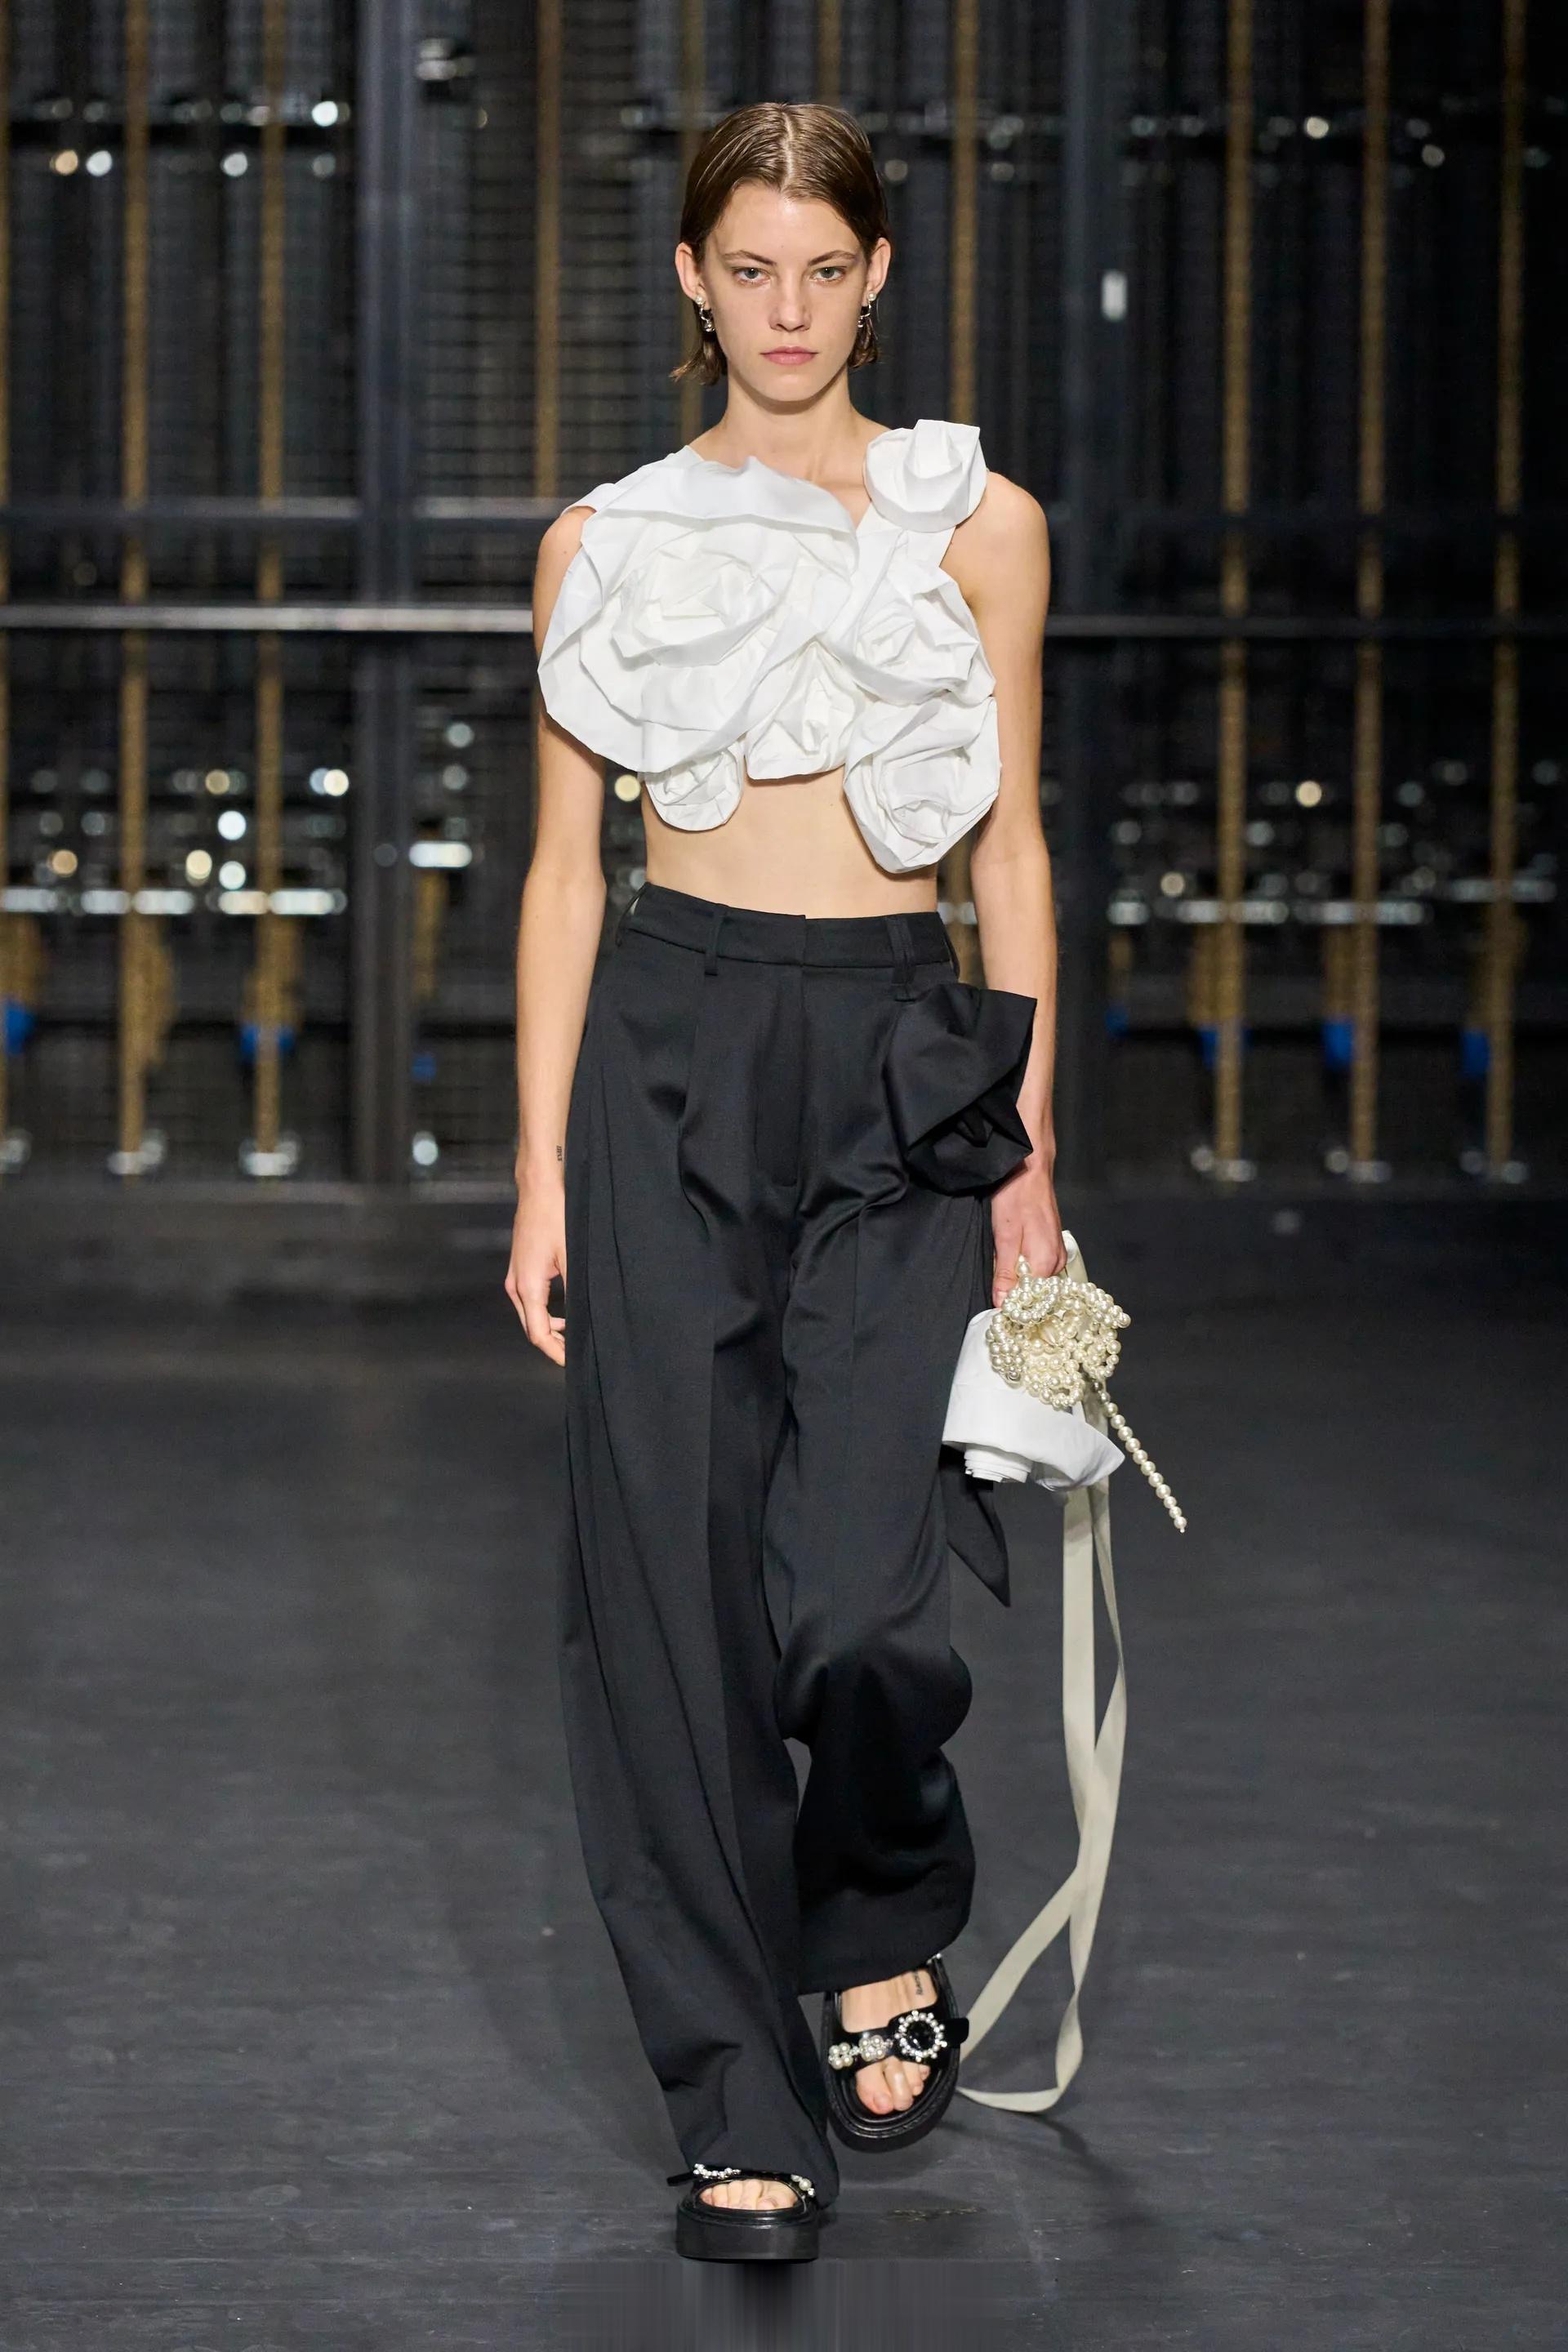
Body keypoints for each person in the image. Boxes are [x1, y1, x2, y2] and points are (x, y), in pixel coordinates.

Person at [507, 99, 1062, 2264]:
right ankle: (741, 2102)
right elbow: (565, 875)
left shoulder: (979, 524)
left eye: (826, 270)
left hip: (900, 1060)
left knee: (858, 1610)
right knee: (670, 1598)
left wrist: (1027, 1157)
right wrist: (541, 1174)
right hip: (667, 1051)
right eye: (751, 269)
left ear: (879, 274)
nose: (790, 311)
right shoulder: (605, 541)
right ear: (692, 278)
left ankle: (881, 1911)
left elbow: (1011, 852)